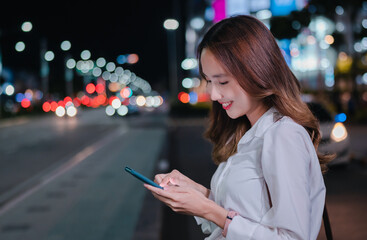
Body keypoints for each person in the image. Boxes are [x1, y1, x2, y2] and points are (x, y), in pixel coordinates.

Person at [144, 15, 333, 240]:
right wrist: (197, 193)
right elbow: (249, 212)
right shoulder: (251, 133)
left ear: (257, 70)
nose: (214, 94)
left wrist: (207, 209)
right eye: (209, 81)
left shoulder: (284, 135)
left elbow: (292, 238)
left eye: (222, 81)